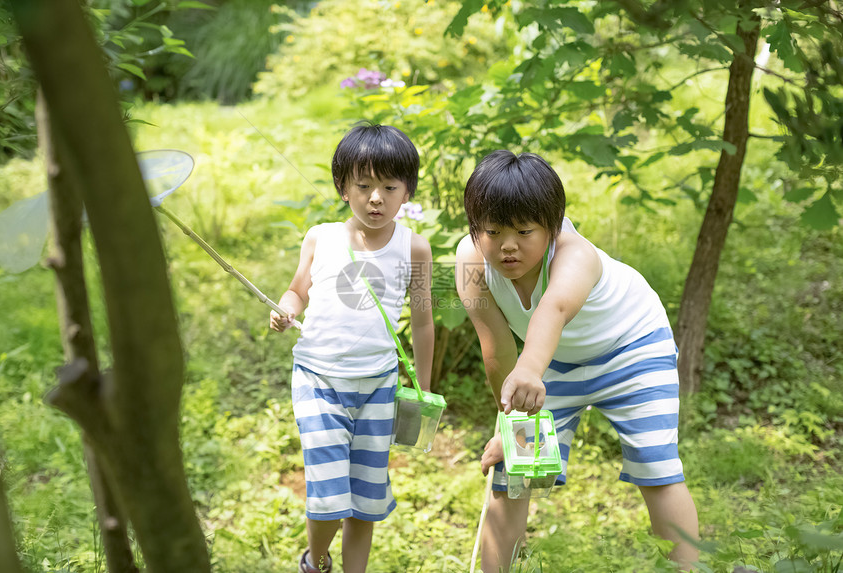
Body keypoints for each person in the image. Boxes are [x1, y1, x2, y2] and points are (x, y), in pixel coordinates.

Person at [454, 150, 699, 572]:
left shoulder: (575, 254)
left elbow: (554, 310)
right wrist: (508, 423)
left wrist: (530, 370)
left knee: (656, 467)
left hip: (633, 350)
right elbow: (495, 349)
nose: (507, 246)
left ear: (552, 225)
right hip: (553, 359)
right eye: (492, 231)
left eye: (524, 231)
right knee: (514, 473)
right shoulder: (468, 262)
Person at [270, 123, 434, 573]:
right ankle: (315, 561)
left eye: (389, 186)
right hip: (318, 379)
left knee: (367, 495)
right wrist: (284, 309)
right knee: (327, 493)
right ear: (343, 187)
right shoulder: (321, 237)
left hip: (379, 385)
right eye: (363, 185)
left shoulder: (415, 249)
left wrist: (423, 385)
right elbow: (296, 290)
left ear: (407, 192)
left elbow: (422, 321)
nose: (376, 197)